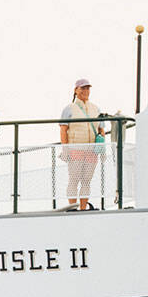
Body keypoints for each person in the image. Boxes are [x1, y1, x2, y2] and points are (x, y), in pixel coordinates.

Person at [59, 78, 105, 211]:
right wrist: (65, 149)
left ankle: (83, 208)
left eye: (87, 88)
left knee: (86, 181)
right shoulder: (69, 108)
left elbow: (101, 130)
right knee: (74, 179)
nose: (85, 91)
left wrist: (102, 150)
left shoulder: (96, 108)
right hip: (75, 149)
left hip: (92, 150)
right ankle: (73, 207)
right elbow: (63, 130)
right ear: (76, 90)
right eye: (82, 88)